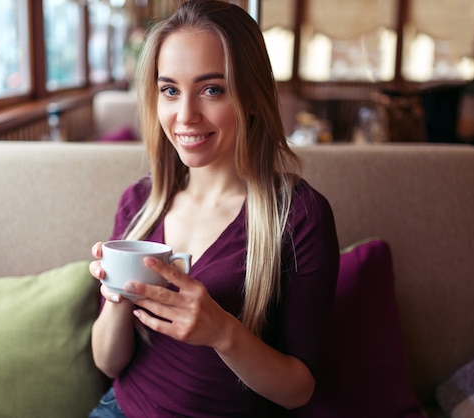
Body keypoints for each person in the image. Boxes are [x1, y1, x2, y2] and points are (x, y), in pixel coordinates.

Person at [88, 1, 339, 416]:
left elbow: (299, 390)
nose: (185, 116)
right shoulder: (140, 203)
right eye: (170, 90)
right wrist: (118, 294)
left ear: (254, 97)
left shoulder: (298, 216)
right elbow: (108, 362)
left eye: (212, 89)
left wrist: (222, 332)